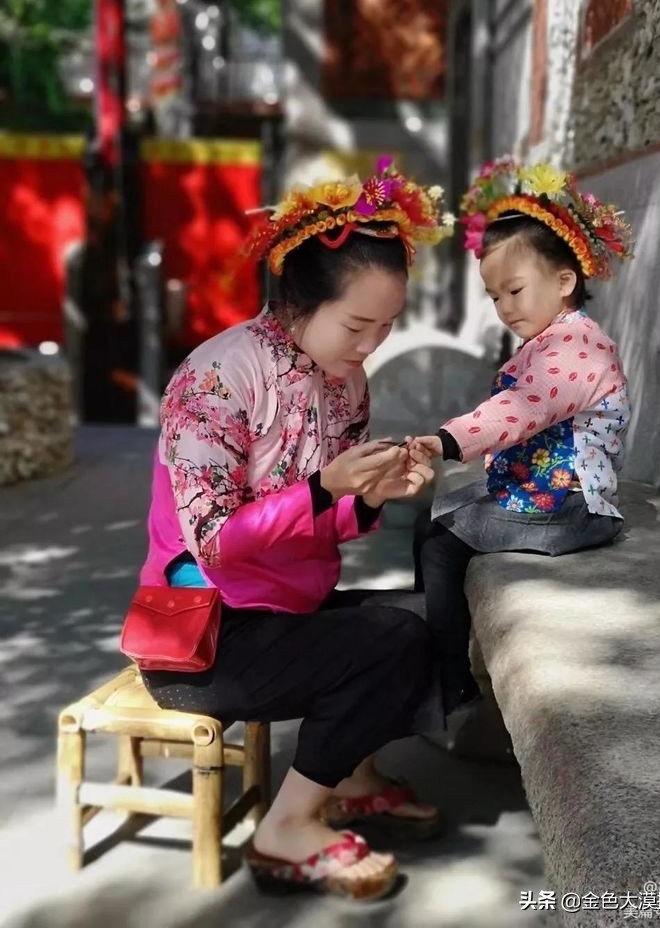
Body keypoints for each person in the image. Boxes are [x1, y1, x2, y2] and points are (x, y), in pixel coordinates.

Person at [137, 159, 453, 900]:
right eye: (356, 324)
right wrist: (324, 488)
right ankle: (288, 826)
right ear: (297, 300)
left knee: (428, 618)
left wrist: (372, 495)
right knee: (393, 641)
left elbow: (327, 524)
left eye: (386, 325)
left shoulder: (343, 378)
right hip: (209, 635)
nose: (370, 344)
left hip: (287, 612)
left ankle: (349, 776)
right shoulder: (214, 379)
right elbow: (213, 539)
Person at [411, 157, 634, 714]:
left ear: (565, 282)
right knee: (430, 518)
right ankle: (442, 653)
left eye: (514, 290)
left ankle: (449, 680)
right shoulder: (554, 336)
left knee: (441, 543)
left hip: (574, 508)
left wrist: (444, 441)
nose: (504, 308)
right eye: (495, 297)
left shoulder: (578, 347)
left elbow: (518, 411)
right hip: (539, 495)